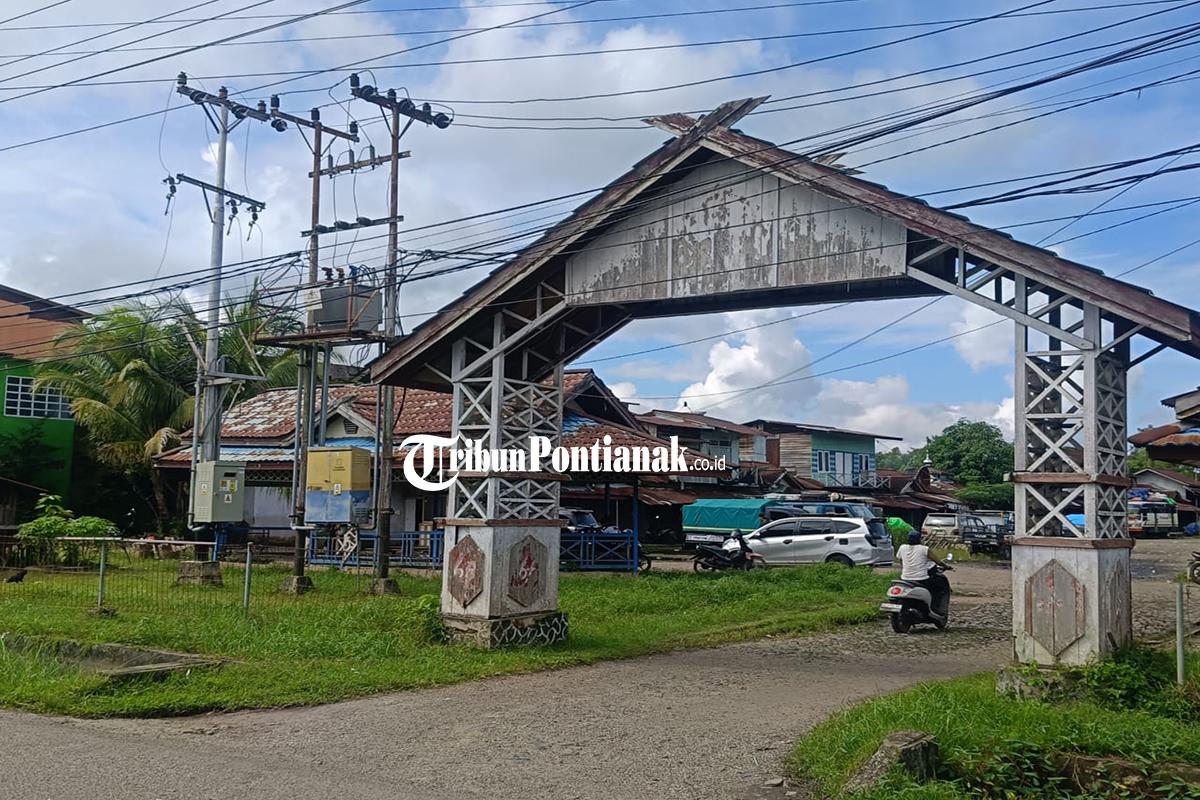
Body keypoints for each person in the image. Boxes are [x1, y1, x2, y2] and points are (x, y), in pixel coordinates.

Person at [897, 530, 952, 615]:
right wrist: (947, 567)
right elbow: (938, 562)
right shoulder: (924, 549)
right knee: (939, 589)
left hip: (905, 578)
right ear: (919, 539)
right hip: (921, 579)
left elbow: (901, 561)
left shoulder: (902, 547)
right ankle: (936, 608)